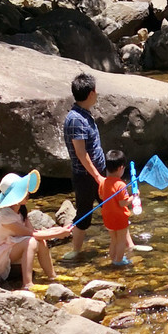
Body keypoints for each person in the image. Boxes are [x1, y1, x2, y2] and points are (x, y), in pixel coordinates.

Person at [0, 171, 70, 288]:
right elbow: (31, 234)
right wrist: (58, 233)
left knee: (40, 242)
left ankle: (52, 276)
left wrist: (60, 230)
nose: (27, 193)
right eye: (23, 191)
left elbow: (36, 233)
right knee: (31, 242)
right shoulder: (5, 217)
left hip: (9, 246)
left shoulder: (21, 210)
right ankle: (27, 284)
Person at [62, 73, 105, 262]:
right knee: (84, 215)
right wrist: (98, 177)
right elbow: (81, 153)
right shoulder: (75, 119)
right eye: (95, 91)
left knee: (113, 208)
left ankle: (126, 245)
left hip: (98, 174)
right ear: (91, 93)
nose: (97, 94)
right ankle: (76, 252)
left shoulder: (84, 114)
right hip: (87, 177)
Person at [98, 150, 136, 267]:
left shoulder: (103, 182)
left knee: (113, 240)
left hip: (107, 216)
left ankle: (113, 258)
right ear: (120, 168)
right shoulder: (121, 185)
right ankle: (118, 260)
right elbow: (123, 203)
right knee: (121, 240)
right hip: (119, 217)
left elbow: (101, 196)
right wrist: (134, 197)